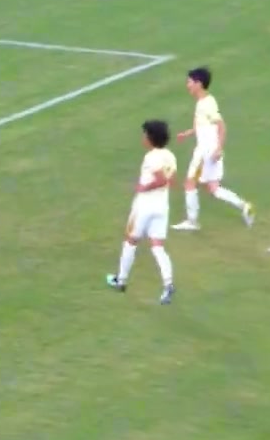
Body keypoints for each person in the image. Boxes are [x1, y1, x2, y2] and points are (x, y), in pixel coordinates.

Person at [174, 66, 257, 230]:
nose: (187, 85)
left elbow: (221, 126)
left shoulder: (206, 104)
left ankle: (192, 222)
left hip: (205, 152)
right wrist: (187, 133)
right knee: (213, 188)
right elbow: (202, 126)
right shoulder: (204, 102)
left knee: (190, 183)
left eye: (190, 82)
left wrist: (219, 148)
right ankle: (245, 206)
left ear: (199, 83)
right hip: (210, 151)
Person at [107, 120, 177, 305]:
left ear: (151, 138)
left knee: (131, 240)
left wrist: (143, 187)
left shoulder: (151, 157)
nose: (143, 137)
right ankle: (168, 283)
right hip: (162, 206)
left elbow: (161, 180)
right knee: (157, 246)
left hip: (144, 206)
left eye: (145, 134)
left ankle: (121, 281)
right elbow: (171, 181)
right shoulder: (170, 156)